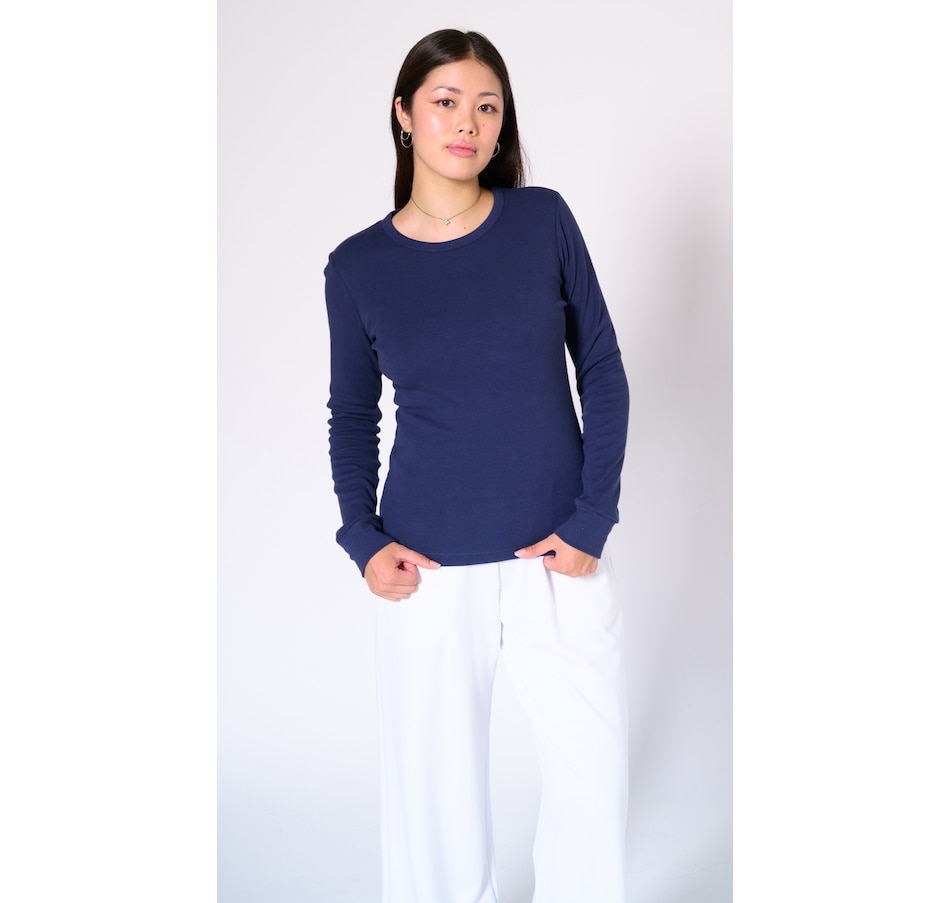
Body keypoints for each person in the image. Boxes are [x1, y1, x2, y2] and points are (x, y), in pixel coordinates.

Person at [325, 28, 630, 903]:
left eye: (487, 106)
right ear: (404, 115)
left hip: (558, 554)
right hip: (426, 564)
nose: (468, 121)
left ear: (503, 125)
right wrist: (362, 537)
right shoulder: (358, 266)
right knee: (434, 802)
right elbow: (353, 413)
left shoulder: (543, 221)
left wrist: (592, 519)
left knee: (590, 776)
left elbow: (602, 368)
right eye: (447, 101)